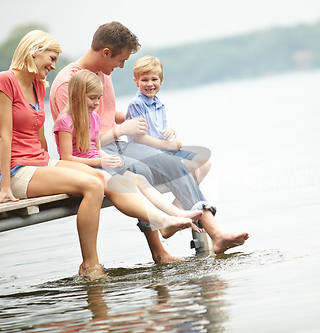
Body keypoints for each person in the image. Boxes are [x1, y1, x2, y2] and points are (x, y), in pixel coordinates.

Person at [50, 22, 249, 260]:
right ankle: (165, 244)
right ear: (106, 52)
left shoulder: (103, 73)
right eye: (120, 60)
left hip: (118, 142)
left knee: (174, 162)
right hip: (96, 152)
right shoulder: (68, 83)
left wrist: (141, 120)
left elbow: (105, 114)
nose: (122, 66)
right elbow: (82, 138)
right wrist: (120, 129)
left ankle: (213, 231)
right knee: (140, 170)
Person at [0, 30, 107, 279]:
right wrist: (5, 188)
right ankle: (90, 265)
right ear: (34, 51)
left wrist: (54, 165)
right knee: (92, 186)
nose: (52, 65)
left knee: (100, 177)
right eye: (50, 58)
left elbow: (40, 136)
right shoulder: (4, 81)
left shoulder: (39, 86)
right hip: (18, 172)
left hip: (40, 164)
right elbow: (4, 137)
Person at [53, 69, 204, 238]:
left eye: (98, 98)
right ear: (78, 95)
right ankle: (166, 219)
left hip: (98, 163)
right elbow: (66, 158)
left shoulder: (93, 118)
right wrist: (99, 162)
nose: (96, 103)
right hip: (80, 169)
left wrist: (107, 158)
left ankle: (175, 213)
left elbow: (96, 149)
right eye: (92, 98)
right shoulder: (65, 122)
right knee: (130, 181)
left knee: (139, 178)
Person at [126, 56, 211, 185]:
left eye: (154, 79)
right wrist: (168, 145)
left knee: (204, 161)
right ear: (136, 82)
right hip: (146, 156)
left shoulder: (159, 104)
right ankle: (187, 201)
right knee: (188, 166)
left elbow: (158, 130)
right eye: (144, 80)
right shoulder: (137, 104)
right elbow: (139, 138)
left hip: (162, 151)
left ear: (161, 81)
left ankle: (181, 204)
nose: (149, 84)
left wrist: (168, 131)